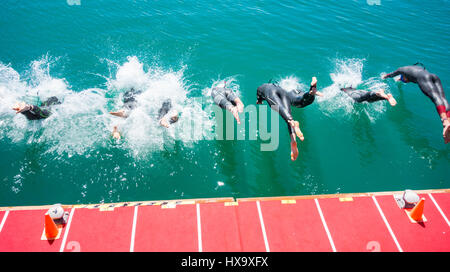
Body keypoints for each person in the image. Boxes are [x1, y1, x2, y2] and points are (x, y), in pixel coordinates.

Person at [256, 77, 322, 161]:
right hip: (283, 92)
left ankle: (293, 126)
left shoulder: (261, 89)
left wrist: (259, 101)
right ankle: (293, 139)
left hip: (270, 93)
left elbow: (259, 97)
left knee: (278, 108)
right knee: (287, 114)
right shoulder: (276, 86)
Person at [382, 63, 450, 143]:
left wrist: (384, 76)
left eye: (403, 80)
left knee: (435, 97)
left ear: (404, 76)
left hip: (422, 78)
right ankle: (448, 121)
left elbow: (390, 74)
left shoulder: (400, 70)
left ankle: (445, 121)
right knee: (442, 98)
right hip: (434, 76)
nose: (405, 81)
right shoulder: (414, 68)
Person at [109, 88, 179, 139]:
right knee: (167, 102)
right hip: (157, 103)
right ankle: (164, 119)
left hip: (134, 99)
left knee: (131, 103)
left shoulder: (131, 92)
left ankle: (124, 113)